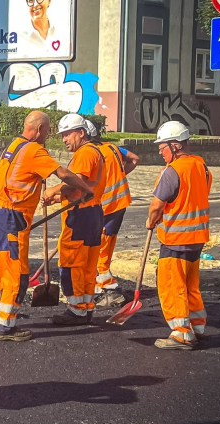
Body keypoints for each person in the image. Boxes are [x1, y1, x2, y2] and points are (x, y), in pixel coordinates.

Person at [0, 110, 94, 341]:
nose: (49, 135)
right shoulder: (34, 150)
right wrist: (87, 189)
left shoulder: (14, 146)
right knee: (18, 274)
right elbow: (63, 174)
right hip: (12, 216)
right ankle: (5, 327)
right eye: (48, 130)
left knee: (5, 264)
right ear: (39, 129)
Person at [146, 121, 211, 350]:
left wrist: (151, 221)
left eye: (162, 147)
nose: (160, 152)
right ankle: (198, 325)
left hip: (176, 239)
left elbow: (157, 205)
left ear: (174, 146)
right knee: (191, 284)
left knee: (173, 285)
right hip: (197, 238)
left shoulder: (172, 171)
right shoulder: (201, 165)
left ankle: (182, 333)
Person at [42, 114, 106, 325]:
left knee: (71, 262)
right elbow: (85, 189)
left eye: (68, 134)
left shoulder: (85, 154)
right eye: (62, 135)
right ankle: (86, 307)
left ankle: (76, 309)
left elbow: (77, 183)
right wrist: (60, 198)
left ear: (81, 133)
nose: (64, 139)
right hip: (93, 213)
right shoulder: (96, 152)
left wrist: (52, 190)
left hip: (80, 216)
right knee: (88, 264)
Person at [84, 120, 140, 307]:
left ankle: (105, 286)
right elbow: (135, 158)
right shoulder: (114, 148)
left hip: (103, 206)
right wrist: (122, 174)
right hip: (120, 202)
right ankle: (101, 283)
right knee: (106, 245)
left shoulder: (92, 153)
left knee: (97, 247)